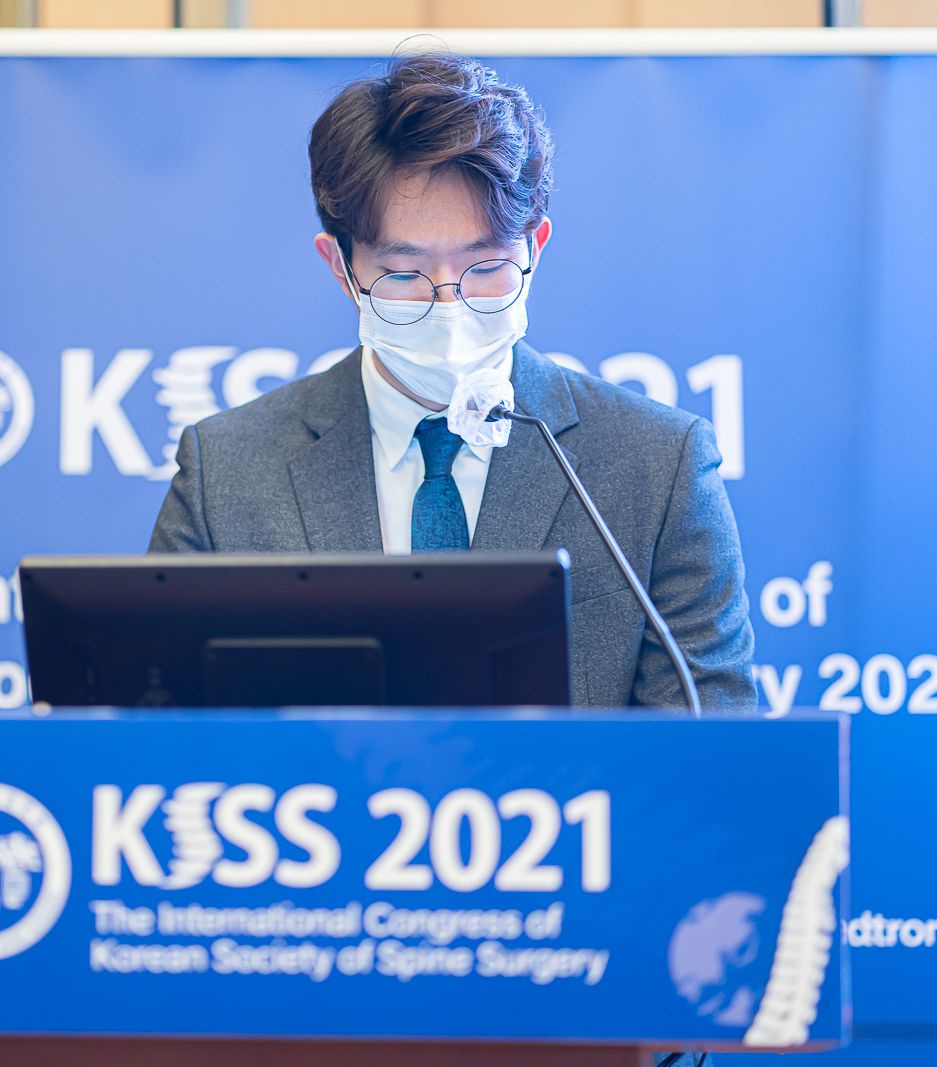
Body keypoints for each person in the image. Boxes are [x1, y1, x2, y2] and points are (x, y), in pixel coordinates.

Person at [150, 53, 754, 709]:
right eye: (403, 274)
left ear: (535, 247)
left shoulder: (659, 465)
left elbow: (707, 742)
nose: (450, 303)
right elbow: (156, 734)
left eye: (485, 266)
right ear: (340, 268)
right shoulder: (228, 470)